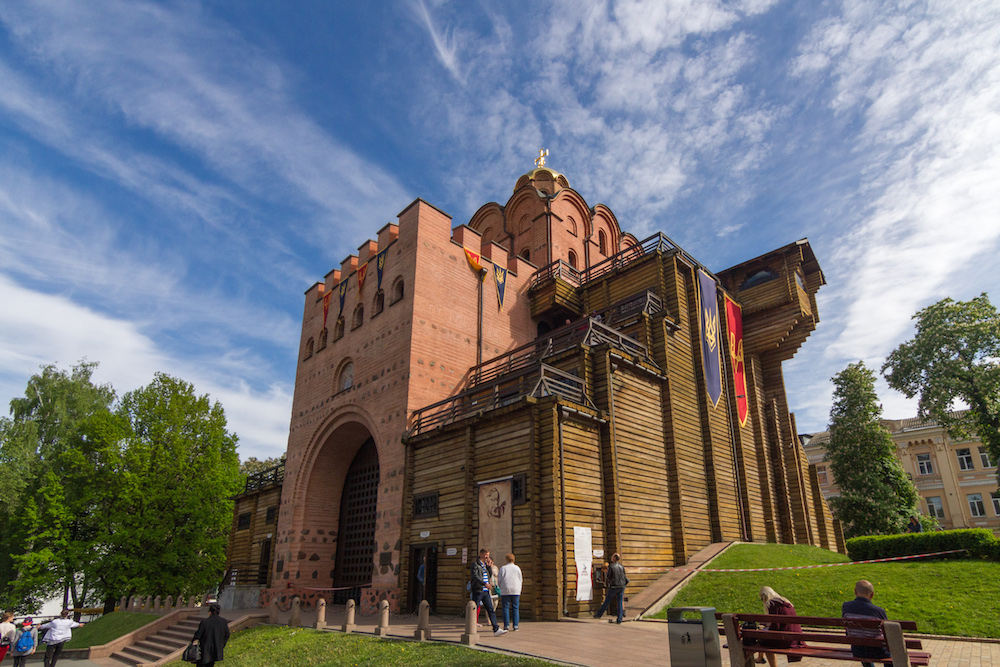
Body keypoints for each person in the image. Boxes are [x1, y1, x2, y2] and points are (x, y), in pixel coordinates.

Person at [842, 580, 891, 667]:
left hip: (857, 650)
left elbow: (846, 627)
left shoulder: (846, 607)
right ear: (872, 594)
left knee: (863, 646)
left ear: (855, 592)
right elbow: (888, 632)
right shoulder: (878, 611)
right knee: (891, 654)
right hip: (878, 652)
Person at [756, 587, 804, 666]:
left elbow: (775, 626)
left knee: (766, 643)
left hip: (788, 640)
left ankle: (766, 662)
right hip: (797, 638)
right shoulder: (784, 601)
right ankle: (760, 658)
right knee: (765, 637)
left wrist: (766, 630)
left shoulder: (772, 604)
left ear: (764, 597)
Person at [470, 549, 506, 636]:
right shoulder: (475, 564)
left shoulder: (485, 565)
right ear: (481, 554)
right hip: (478, 590)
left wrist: (489, 567)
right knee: (474, 609)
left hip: (486, 592)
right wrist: (484, 584)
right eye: (486, 555)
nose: (487, 557)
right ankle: (470, 628)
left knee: (491, 609)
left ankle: (496, 629)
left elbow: (489, 576)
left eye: (488, 555)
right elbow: (475, 577)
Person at [192, 603, 230, 667]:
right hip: (216, 649)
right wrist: (222, 644)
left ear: (210, 612)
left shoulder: (205, 622)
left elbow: (198, 635)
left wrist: (192, 642)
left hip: (205, 650)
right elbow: (227, 634)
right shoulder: (223, 621)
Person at [593, 552, 627, 624]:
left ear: (614, 558)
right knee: (620, 602)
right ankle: (619, 619)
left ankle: (599, 614)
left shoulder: (611, 566)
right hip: (622, 586)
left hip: (614, 586)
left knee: (607, 600)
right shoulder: (621, 566)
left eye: (612, 557)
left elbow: (608, 576)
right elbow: (624, 576)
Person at [498, 553, 523, 631]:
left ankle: (506, 625)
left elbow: (499, 579)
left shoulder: (503, 568)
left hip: (505, 589)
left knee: (505, 607)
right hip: (515, 589)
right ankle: (515, 625)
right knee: (515, 608)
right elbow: (520, 579)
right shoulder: (517, 568)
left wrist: (500, 587)